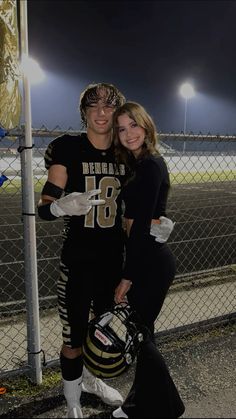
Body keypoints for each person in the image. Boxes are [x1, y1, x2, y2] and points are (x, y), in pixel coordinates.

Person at [37, 82, 127, 418]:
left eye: (108, 106)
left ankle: (92, 382)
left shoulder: (125, 152)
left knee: (101, 334)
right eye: (94, 106)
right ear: (84, 112)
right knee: (74, 337)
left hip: (113, 264)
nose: (102, 113)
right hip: (77, 262)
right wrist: (61, 207)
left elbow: (132, 211)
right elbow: (44, 206)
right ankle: (71, 398)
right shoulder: (68, 149)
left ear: (117, 111)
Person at [110, 102, 185, 418]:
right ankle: (138, 405)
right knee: (144, 334)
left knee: (141, 336)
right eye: (122, 128)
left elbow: (141, 226)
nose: (128, 134)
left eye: (134, 125)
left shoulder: (151, 164)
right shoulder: (138, 164)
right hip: (146, 257)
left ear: (146, 126)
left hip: (150, 263)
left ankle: (169, 405)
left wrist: (128, 276)